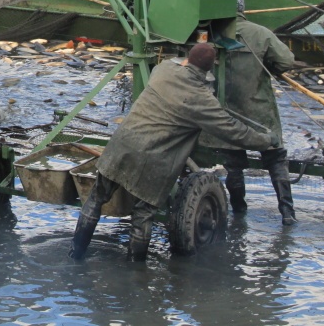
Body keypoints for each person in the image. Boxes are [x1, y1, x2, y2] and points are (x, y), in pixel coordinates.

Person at [70, 43, 276, 261]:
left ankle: (76, 254)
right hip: (152, 161)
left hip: (121, 146)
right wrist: (265, 140)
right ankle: (135, 269)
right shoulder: (203, 100)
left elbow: (175, 66)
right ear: (210, 68)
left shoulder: (164, 69)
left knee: (95, 200)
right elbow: (233, 131)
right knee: (143, 215)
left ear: (187, 59)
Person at [201, 0, 299, 224]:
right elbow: (287, 61)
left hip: (225, 110)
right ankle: (287, 213)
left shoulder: (210, 34)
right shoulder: (261, 33)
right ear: (243, 9)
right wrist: (268, 67)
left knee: (234, 165)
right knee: (275, 158)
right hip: (259, 109)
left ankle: (239, 211)